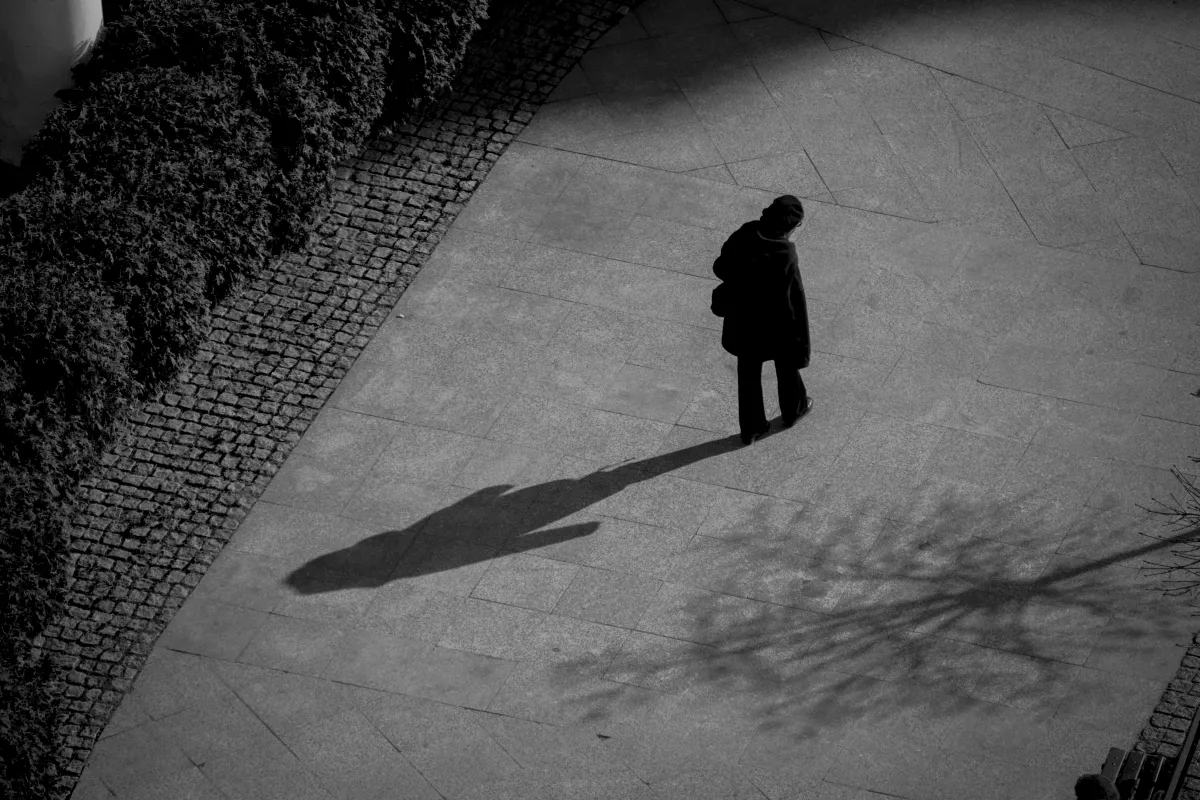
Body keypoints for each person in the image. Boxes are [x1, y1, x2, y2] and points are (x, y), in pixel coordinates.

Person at [711, 194, 813, 445]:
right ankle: (794, 410)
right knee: (786, 365)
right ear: (789, 226)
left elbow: (720, 267)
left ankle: (753, 428)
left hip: (743, 321)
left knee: (748, 374)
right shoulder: (785, 252)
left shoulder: (746, 232)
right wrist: (799, 336)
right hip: (775, 325)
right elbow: (793, 298)